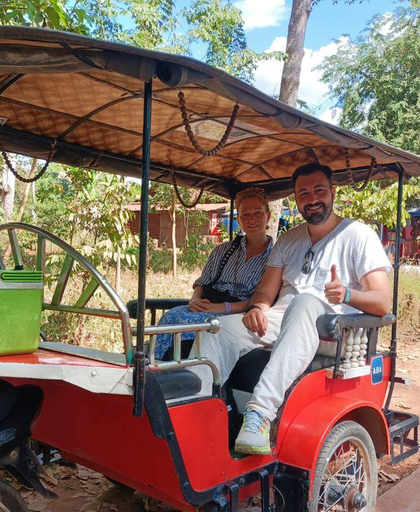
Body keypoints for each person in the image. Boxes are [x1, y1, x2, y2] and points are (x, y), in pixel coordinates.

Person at [192, 163, 392, 454]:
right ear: (296, 200)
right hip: (281, 320)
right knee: (218, 330)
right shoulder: (289, 240)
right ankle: (201, 412)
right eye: (303, 193)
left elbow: (383, 301)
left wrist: (348, 293)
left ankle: (260, 413)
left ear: (332, 192)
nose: (312, 199)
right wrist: (257, 308)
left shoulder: (359, 236)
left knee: (305, 301)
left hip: (333, 331)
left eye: (319, 190)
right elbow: (265, 292)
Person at [153, 188, 274, 360]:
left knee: (196, 325)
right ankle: (156, 370)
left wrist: (222, 308)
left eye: (258, 213)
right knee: (171, 316)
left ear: (268, 216)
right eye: (245, 215)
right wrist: (195, 300)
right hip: (209, 304)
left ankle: (187, 372)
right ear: (238, 219)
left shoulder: (275, 256)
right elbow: (203, 283)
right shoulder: (223, 250)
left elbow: (264, 298)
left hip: (241, 312)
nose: (251, 219)